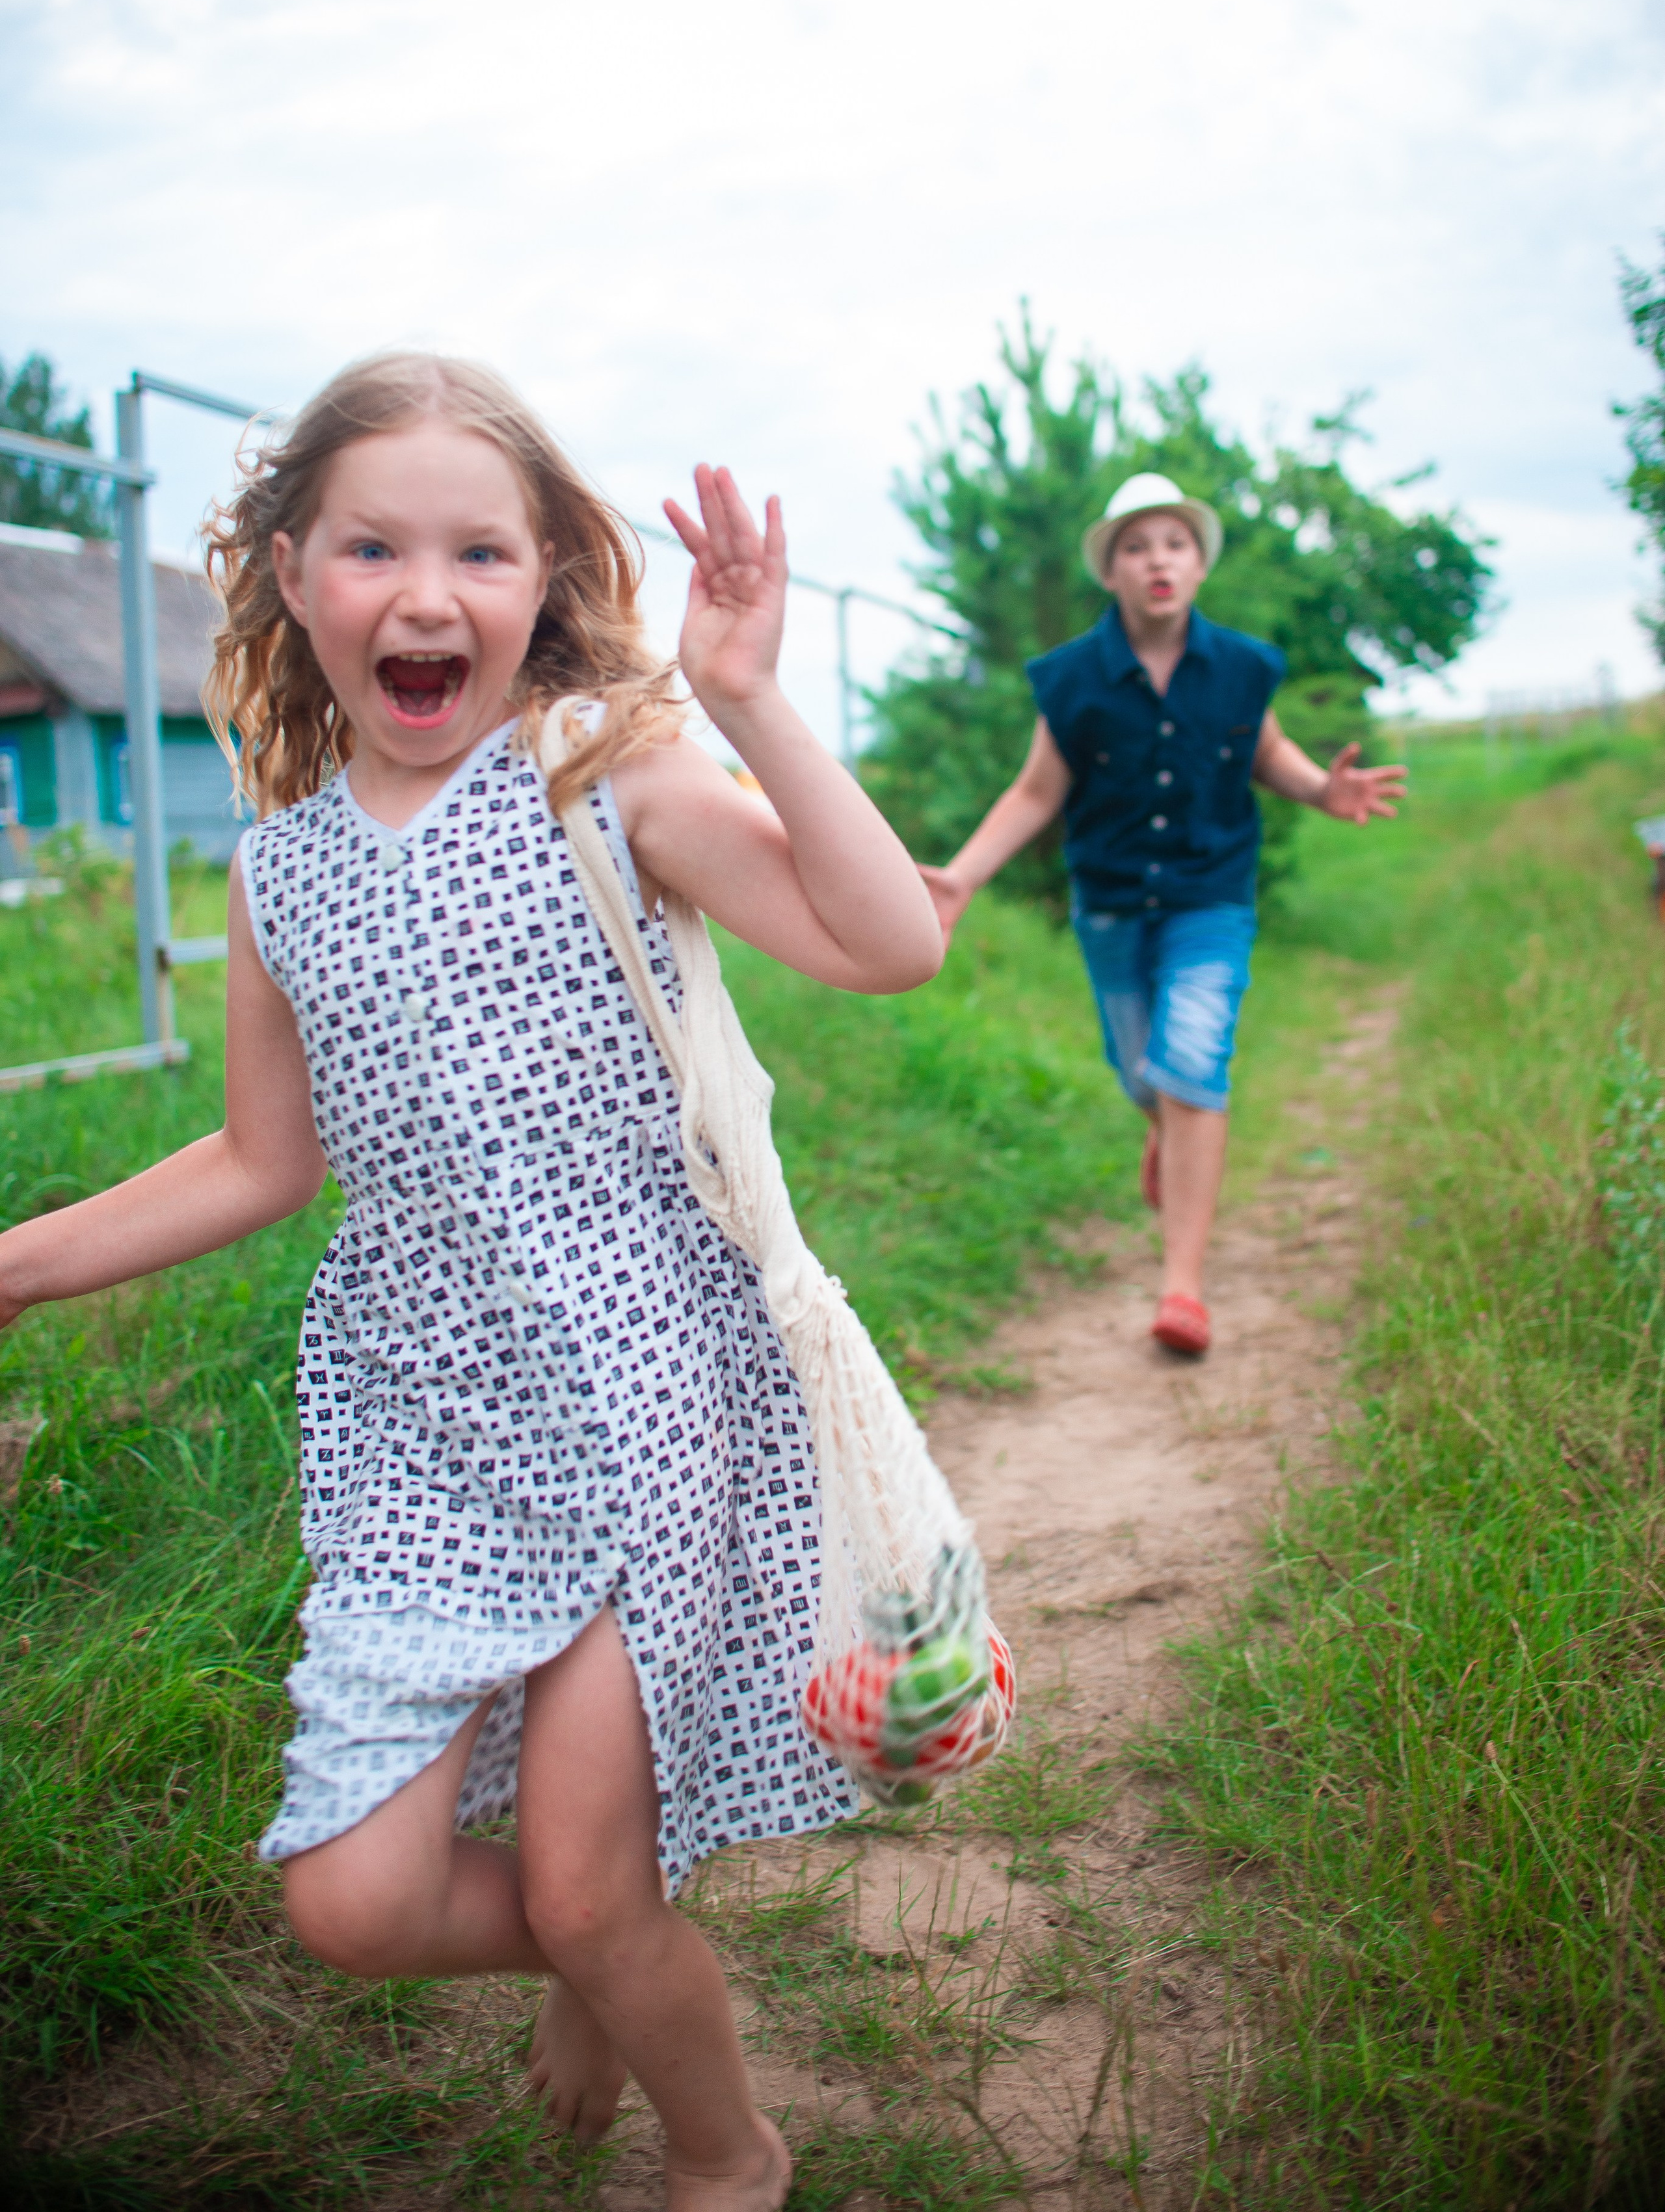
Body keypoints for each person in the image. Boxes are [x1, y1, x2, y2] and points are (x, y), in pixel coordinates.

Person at [0, 353, 944, 2212]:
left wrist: (746, 695)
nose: (426, 595)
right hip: (422, 1417)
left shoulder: (612, 779)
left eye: (480, 551)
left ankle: (727, 2146)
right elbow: (268, 1160)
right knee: (351, 1899)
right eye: (371, 546)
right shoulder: (276, 876)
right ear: (288, 574)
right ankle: (607, 1953)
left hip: (647, 1384)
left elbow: (891, 938)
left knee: (589, 1872)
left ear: (543, 580)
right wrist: (17, 1265)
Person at [919, 472, 1404, 1358]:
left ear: (1197, 563)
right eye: (1136, 547)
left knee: (1190, 1062)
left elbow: (1270, 754)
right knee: (1145, 1074)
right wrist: (960, 879)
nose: (1157, 561)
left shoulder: (1243, 669)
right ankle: (1167, 1132)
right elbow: (1036, 792)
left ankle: (1183, 1287)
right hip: (1110, 906)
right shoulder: (1072, 681)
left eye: (1173, 544)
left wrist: (1321, 791)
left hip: (1210, 899)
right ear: (1112, 570)